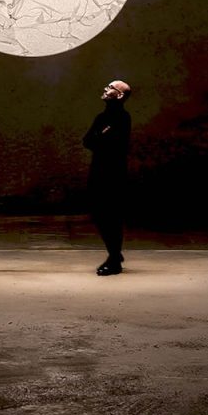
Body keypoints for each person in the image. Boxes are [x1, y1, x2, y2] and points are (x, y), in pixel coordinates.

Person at [83, 79, 131, 276]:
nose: (105, 88)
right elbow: (87, 141)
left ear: (119, 95)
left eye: (111, 87)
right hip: (99, 171)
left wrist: (100, 138)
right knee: (100, 214)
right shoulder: (101, 117)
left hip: (114, 174)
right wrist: (102, 137)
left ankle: (114, 259)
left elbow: (116, 145)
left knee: (111, 215)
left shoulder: (122, 117)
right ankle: (115, 254)